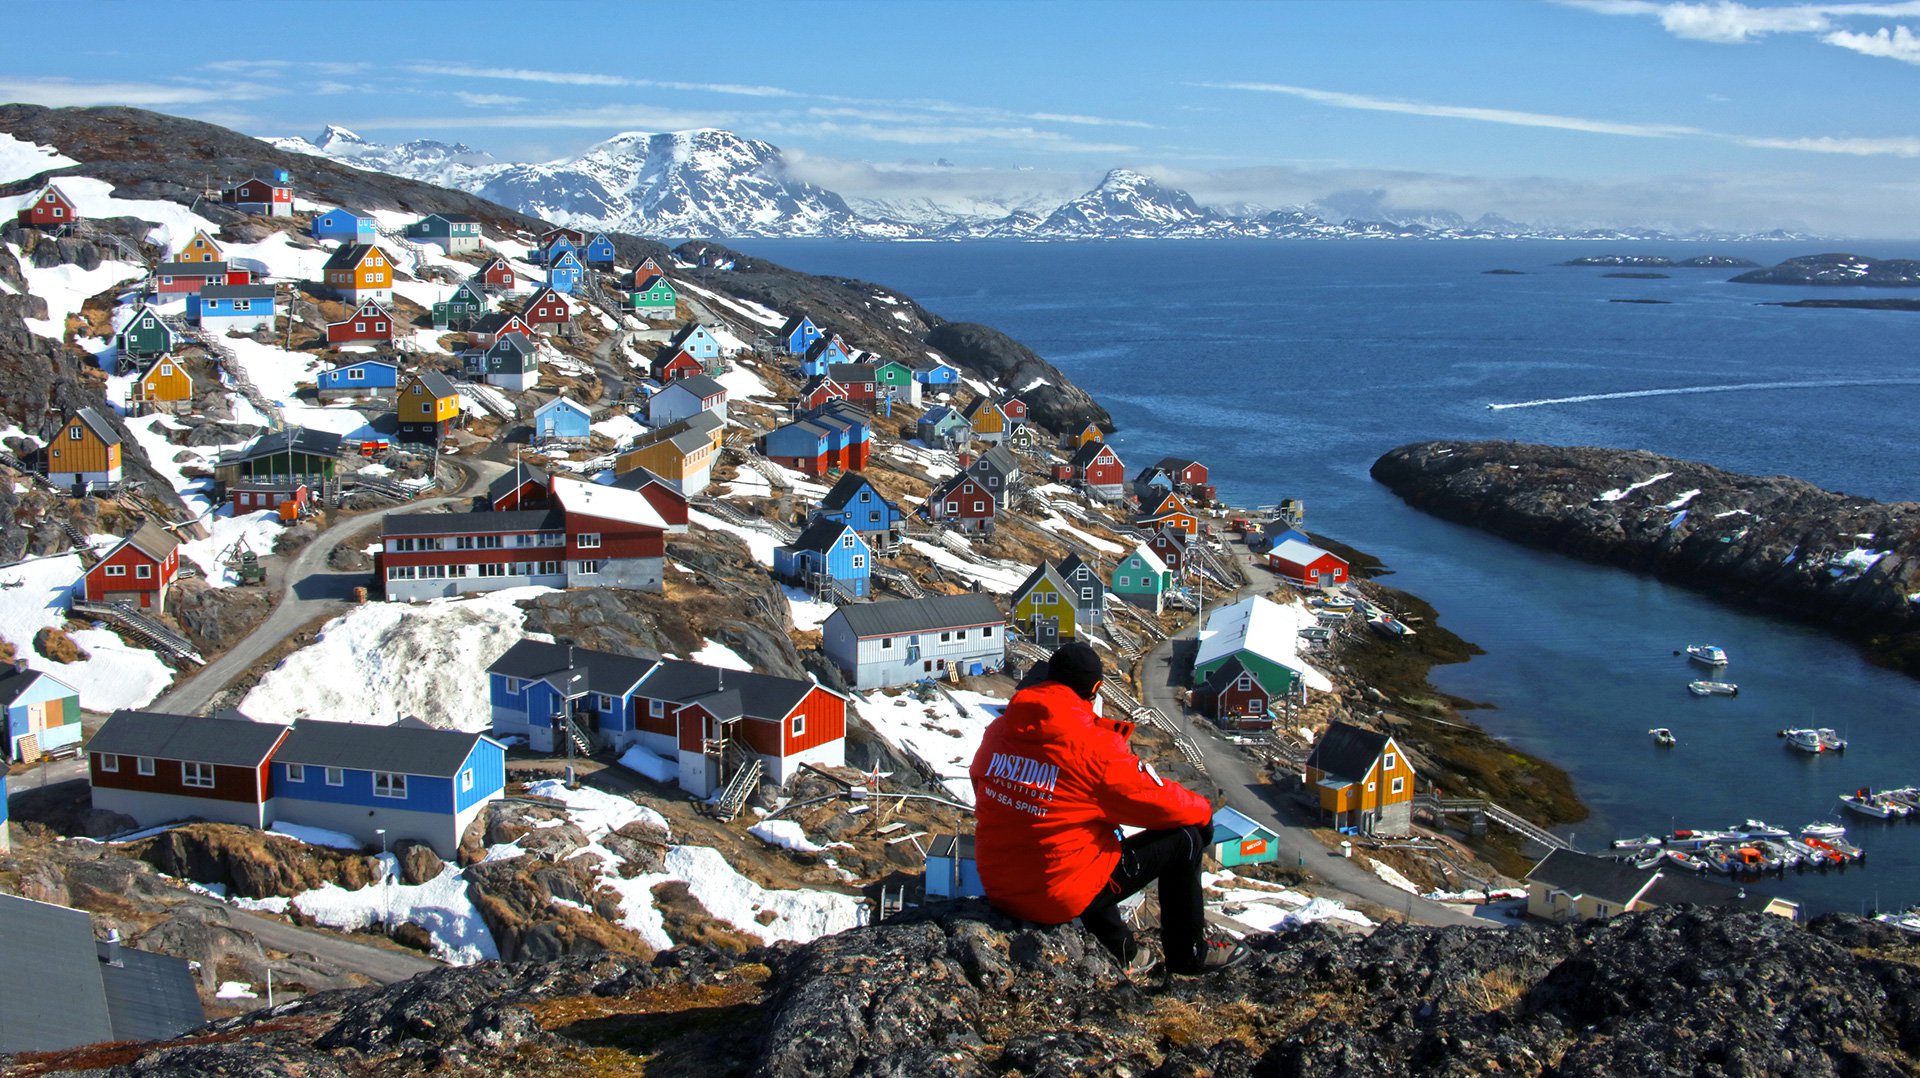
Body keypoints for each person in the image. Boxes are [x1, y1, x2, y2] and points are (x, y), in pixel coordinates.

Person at [969, 642, 1246, 975]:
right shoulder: (1091, 746)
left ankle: (1124, 951)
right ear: (1095, 688)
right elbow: (1156, 801)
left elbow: (980, 784)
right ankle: (1189, 957)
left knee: (1085, 838)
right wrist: (1203, 813)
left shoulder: (1000, 731)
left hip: (999, 885)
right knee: (1186, 839)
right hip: (1053, 896)